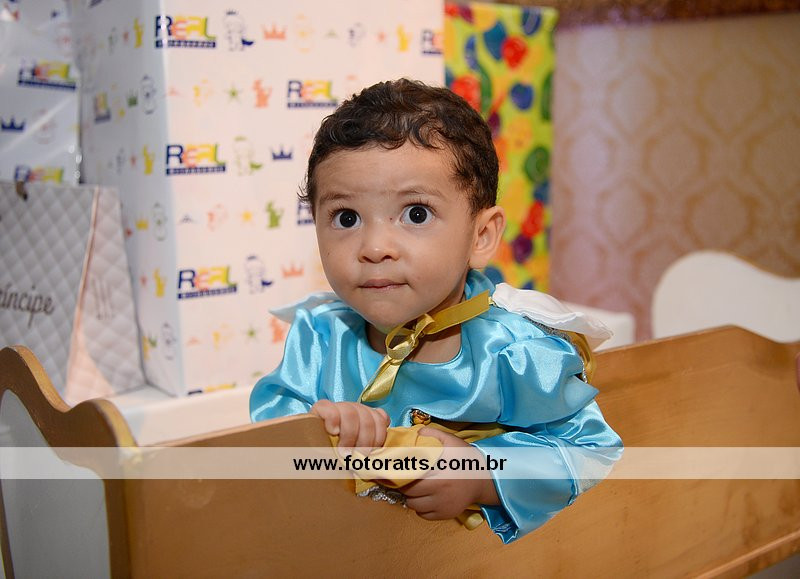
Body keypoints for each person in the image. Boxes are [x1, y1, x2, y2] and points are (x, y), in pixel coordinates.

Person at [250, 78, 622, 544]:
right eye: (347, 218)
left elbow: (591, 450)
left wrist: (482, 476)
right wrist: (320, 426)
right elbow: (268, 436)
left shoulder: (517, 352)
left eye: (416, 214)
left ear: (481, 236)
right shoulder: (320, 336)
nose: (375, 247)